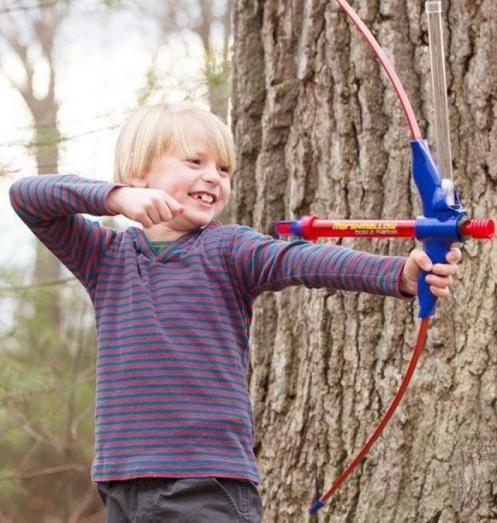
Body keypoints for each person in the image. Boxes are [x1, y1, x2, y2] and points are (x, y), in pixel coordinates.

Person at [9, 103, 460, 522]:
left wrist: (399, 274)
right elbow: (27, 197)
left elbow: (301, 261)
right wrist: (115, 198)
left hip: (207, 483)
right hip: (122, 482)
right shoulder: (105, 257)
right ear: (137, 172)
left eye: (223, 169)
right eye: (194, 162)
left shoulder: (228, 248)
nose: (213, 177)